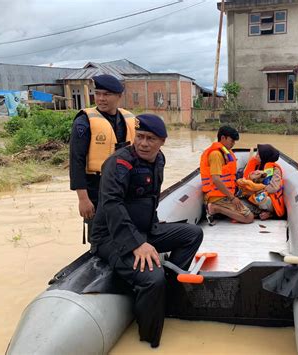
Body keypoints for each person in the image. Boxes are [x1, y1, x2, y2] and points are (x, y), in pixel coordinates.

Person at [91, 114, 203, 348]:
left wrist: (152, 228)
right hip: (113, 237)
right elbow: (112, 205)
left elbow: (150, 198)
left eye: (150, 138)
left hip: (146, 229)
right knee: (153, 278)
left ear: (162, 141)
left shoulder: (158, 160)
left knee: (193, 234)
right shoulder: (119, 163)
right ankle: (149, 338)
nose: (143, 143)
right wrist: (136, 244)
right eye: (139, 137)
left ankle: (169, 293)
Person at [69, 74, 136, 243]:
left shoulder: (128, 119)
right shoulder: (84, 122)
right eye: (98, 94)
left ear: (119, 96)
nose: (101, 98)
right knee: (99, 234)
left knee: (125, 227)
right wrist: (83, 199)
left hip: (124, 184)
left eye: (107, 94)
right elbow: (76, 161)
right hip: (96, 187)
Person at [200, 126, 254, 224]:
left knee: (253, 205)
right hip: (217, 197)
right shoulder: (216, 154)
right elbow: (216, 180)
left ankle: (221, 208)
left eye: (234, 142)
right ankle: (216, 208)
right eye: (231, 140)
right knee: (249, 218)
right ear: (223, 138)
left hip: (225, 194)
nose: (233, 144)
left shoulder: (225, 152)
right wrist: (232, 198)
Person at [241, 144, 285, 220]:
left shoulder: (275, 169)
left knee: (261, 198)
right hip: (253, 196)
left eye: (258, 154)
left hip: (268, 198)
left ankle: (269, 214)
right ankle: (260, 213)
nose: (256, 155)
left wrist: (256, 190)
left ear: (264, 157)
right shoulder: (257, 166)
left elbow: (273, 188)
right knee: (237, 201)